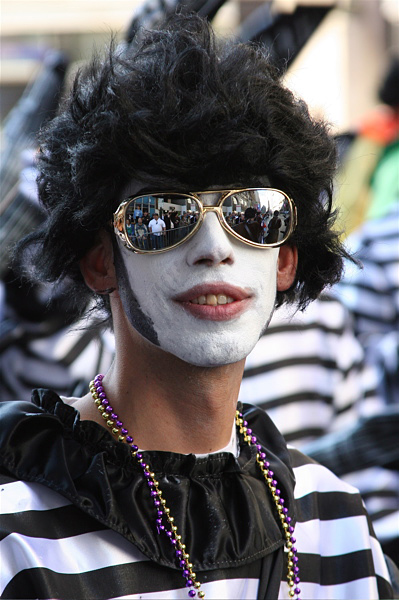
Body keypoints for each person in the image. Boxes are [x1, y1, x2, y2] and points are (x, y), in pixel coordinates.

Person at [0, 14, 396, 600]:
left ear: (285, 259)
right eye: (162, 218)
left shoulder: (337, 526)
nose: (215, 249)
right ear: (99, 260)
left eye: (252, 214)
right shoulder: (17, 536)